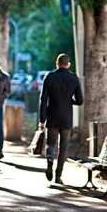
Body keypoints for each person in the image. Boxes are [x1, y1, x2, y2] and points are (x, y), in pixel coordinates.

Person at [39, 53, 83, 184]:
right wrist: (69, 101)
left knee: (51, 144)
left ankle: (49, 164)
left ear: (57, 63)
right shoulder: (73, 78)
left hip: (52, 116)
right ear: (68, 64)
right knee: (63, 147)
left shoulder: (49, 77)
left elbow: (43, 100)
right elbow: (80, 100)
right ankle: (58, 176)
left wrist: (42, 119)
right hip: (66, 118)